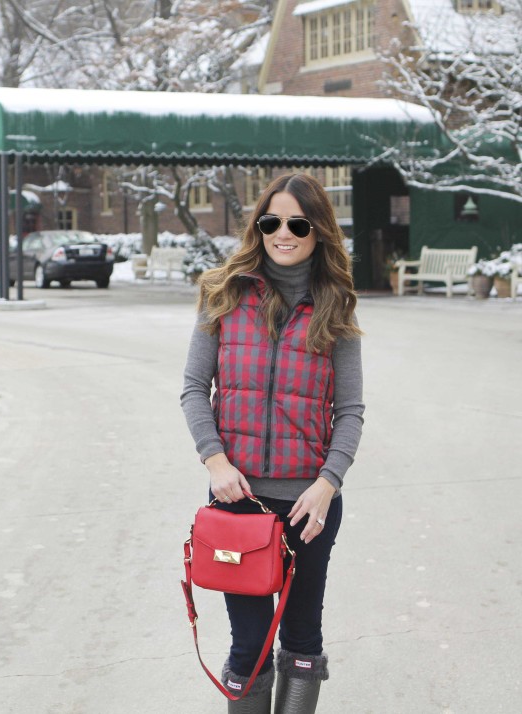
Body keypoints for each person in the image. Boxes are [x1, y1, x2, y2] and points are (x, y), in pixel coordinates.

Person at [180, 173, 364, 714]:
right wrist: (215, 462)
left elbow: (349, 411)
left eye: (297, 223)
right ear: (258, 226)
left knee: (302, 638)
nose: (283, 233)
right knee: (250, 644)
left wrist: (328, 485)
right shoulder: (222, 292)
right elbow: (194, 388)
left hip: (310, 506)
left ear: (318, 231)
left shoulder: (337, 306)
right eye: (272, 222)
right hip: (239, 504)